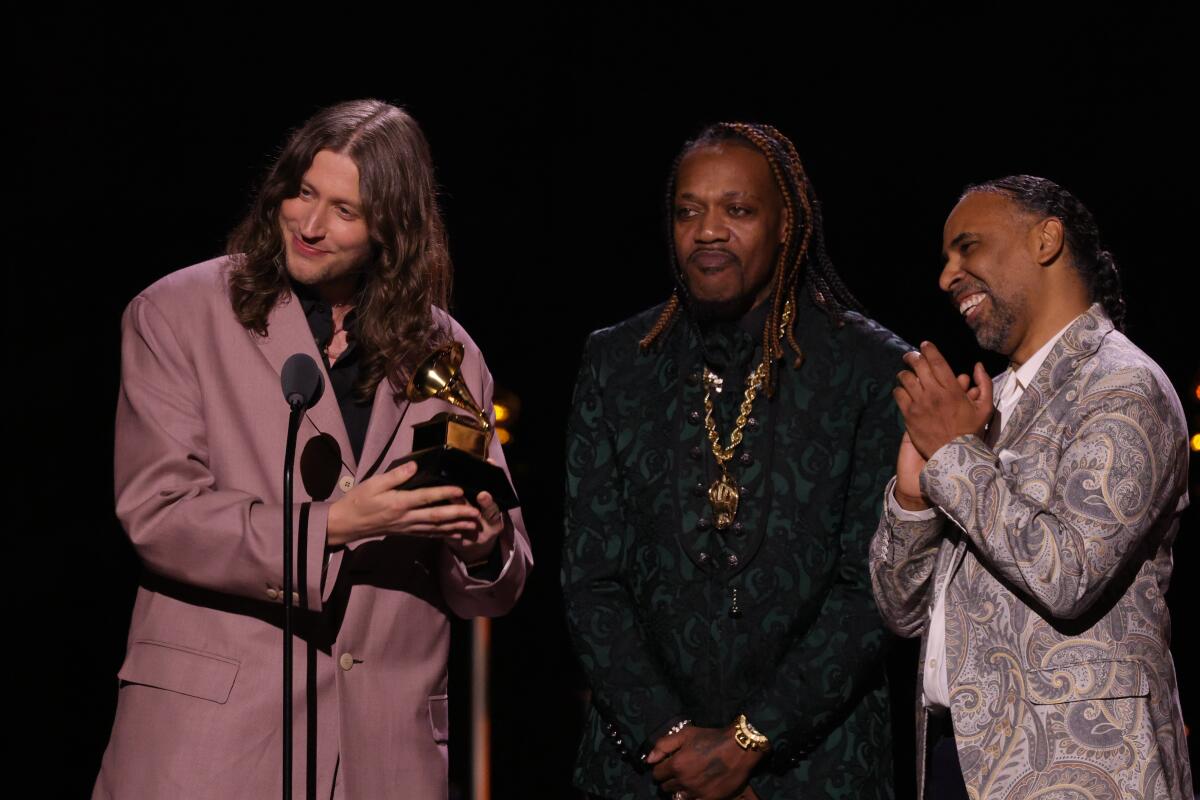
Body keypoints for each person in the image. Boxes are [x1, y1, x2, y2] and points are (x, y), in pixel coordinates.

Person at [94, 100, 532, 799]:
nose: (310, 224)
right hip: (216, 745)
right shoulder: (177, 314)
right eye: (303, 193)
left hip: (383, 756)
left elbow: (501, 578)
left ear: (393, 228)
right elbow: (161, 515)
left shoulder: (447, 354)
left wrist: (481, 548)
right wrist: (335, 524)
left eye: (345, 211)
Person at [562, 122, 906, 800]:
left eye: (738, 209)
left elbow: (871, 586)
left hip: (814, 768)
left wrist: (748, 741)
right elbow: (590, 578)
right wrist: (672, 741)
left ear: (787, 224)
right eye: (687, 211)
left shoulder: (870, 368)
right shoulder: (618, 362)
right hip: (646, 768)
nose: (708, 231)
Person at [870, 175, 1192, 799]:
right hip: (958, 758)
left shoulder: (1124, 385)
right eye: (945, 258)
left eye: (967, 247)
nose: (947, 275)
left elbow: (1068, 575)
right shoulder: (982, 404)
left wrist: (955, 456)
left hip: (1078, 766)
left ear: (1046, 240)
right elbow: (901, 612)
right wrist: (912, 498)